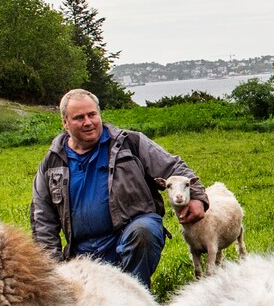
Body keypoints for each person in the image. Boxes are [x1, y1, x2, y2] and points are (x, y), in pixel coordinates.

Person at [31, 89, 207, 288]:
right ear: (65, 122)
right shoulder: (52, 163)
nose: (88, 122)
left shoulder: (129, 143)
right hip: (83, 252)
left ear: (99, 114)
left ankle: (137, 297)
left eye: (92, 114)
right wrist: (52, 269)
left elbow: (173, 167)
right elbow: (42, 218)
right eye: (79, 118)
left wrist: (197, 197)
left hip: (128, 236)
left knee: (144, 230)